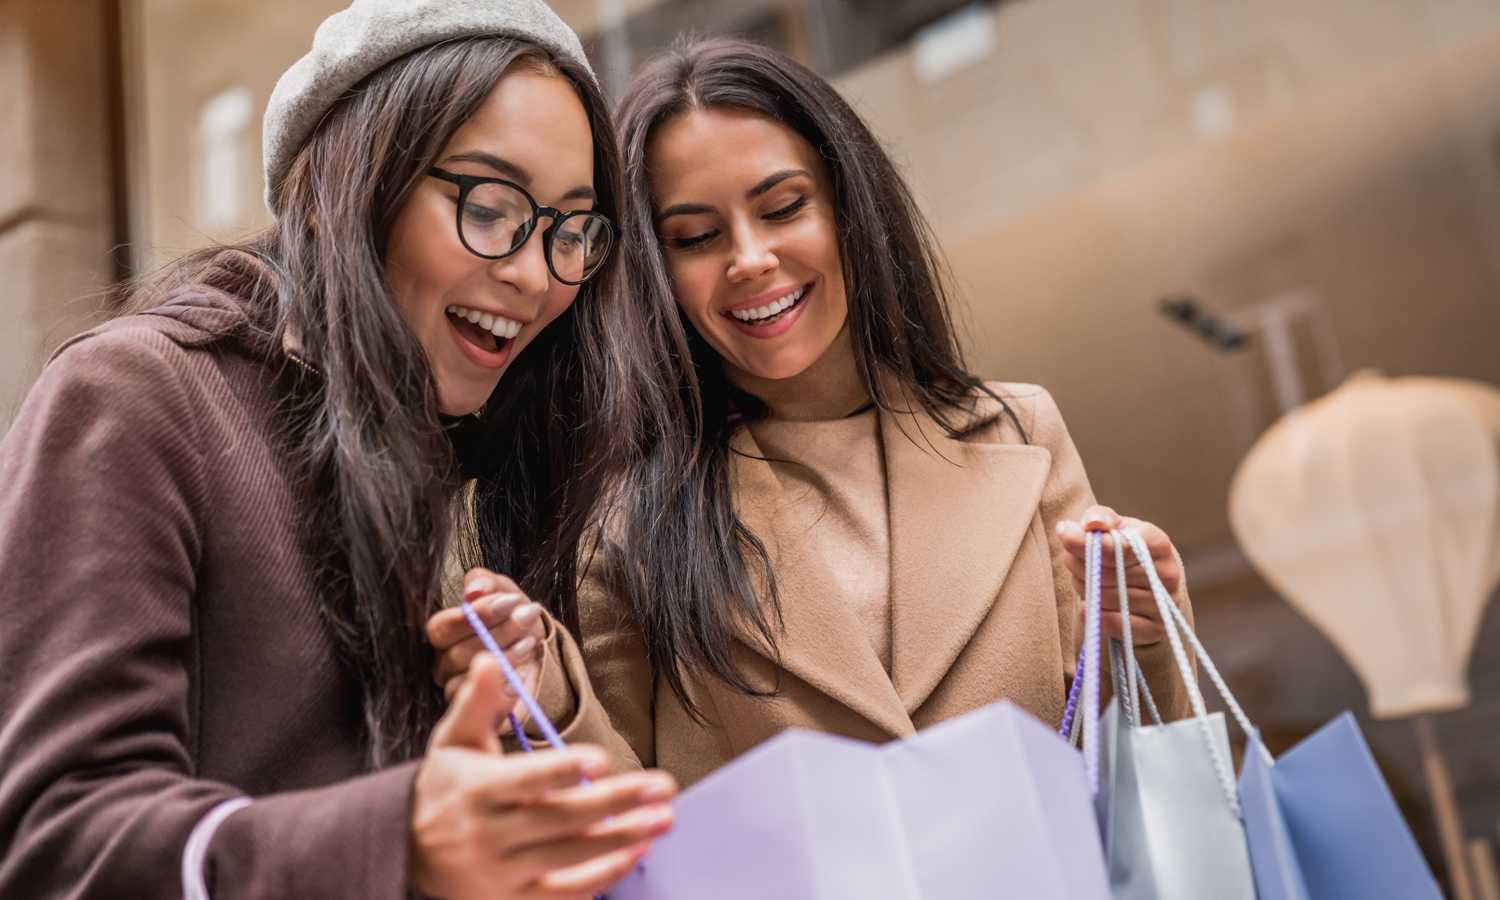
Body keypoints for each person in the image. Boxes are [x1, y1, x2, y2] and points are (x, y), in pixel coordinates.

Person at [0, 2, 677, 898]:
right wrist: (397, 838)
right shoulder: (135, 395)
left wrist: (524, 698)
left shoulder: (454, 443)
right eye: (489, 204)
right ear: (326, 191)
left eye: (570, 229)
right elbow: (55, 840)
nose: (534, 272)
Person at [439, 38, 1201, 790]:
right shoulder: (627, 517)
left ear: (848, 206)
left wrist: (1145, 633)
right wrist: (542, 691)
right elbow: (624, 819)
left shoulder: (1019, 432)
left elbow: (1124, 773)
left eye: (783, 208)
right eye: (696, 237)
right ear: (654, 270)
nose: (750, 258)